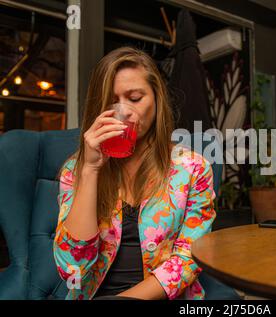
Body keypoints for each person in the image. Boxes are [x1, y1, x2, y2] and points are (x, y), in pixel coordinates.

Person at [53, 47, 216, 300]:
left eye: (135, 98)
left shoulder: (193, 168)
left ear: (157, 99)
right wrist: (90, 170)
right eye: (112, 101)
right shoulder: (75, 170)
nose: (125, 111)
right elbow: (71, 268)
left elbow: (189, 259)